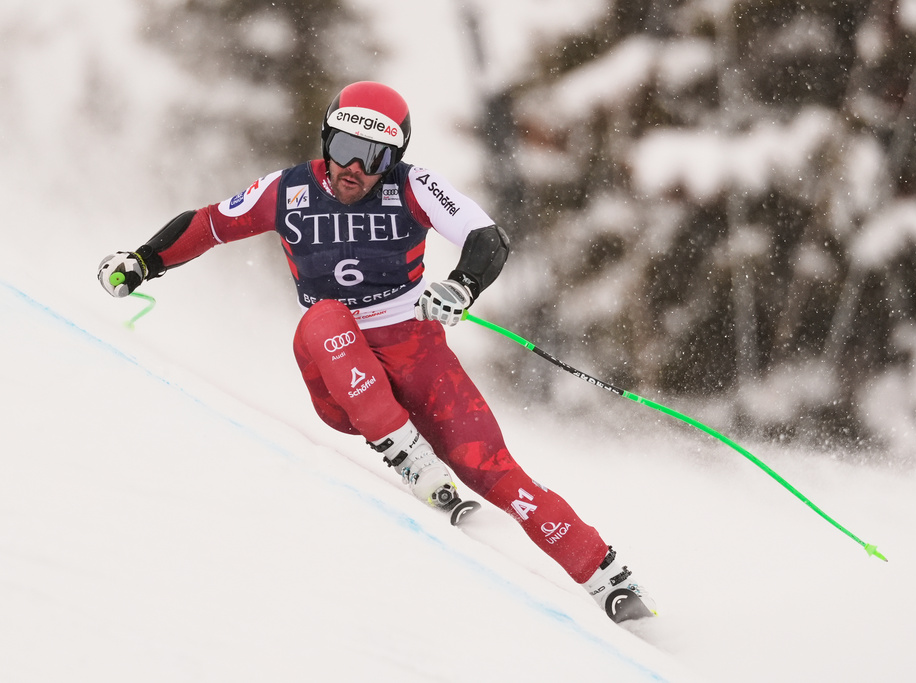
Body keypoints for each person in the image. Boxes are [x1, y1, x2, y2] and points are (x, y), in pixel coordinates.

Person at [97, 81, 656, 624]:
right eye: (343, 149)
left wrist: (461, 285)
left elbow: (487, 237)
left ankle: (606, 577)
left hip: (415, 350)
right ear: (325, 141)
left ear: (395, 157)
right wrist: (144, 261)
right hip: (337, 370)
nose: (353, 169)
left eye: (373, 157)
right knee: (325, 315)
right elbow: (210, 224)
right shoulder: (287, 189)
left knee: (492, 468)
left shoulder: (414, 186)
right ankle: (402, 449)